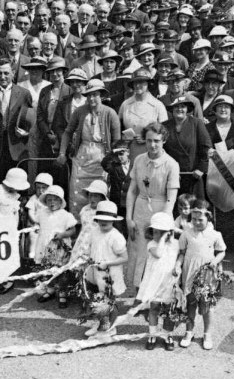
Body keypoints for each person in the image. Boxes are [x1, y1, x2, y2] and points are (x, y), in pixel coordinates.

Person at [126, 122, 180, 290]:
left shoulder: (171, 164)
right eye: (149, 140)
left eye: (157, 140)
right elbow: (132, 191)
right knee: (139, 250)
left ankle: (157, 295)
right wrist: (129, 218)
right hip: (140, 209)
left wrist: (161, 224)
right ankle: (138, 291)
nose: (152, 145)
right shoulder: (139, 160)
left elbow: (171, 197)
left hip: (161, 210)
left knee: (158, 251)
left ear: (163, 140)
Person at [56, 79, 121, 218]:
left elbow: (116, 141)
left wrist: (112, 160)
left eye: (95, 95)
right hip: (82, 155)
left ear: (101, 95)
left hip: (102, 157)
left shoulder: (110, 113)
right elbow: (67, 132)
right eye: (89, 95)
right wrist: (62, 153)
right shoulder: (80, 112)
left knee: (100, 190)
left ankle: (100, 222)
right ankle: (77, 224)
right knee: (77, 191)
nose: (92, 98)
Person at [174, 200, 226, 350]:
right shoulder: (186, 233)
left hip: (206, 275)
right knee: (190, 303)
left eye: (200, 219)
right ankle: (189, 332)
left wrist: (215, 261)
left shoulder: (215, 234)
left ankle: (207, 334)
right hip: (189, 273)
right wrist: (178, 265)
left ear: (208, 217)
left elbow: (222, 251)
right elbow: (182, 253)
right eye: (194, 219)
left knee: (206, 306)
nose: (196, 222)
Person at [85, 200, 128, 336]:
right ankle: (98, 323)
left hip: (109, 275)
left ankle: (110, 327)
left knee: (108, 302)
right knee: (96, 300)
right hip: (95, 273)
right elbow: (92, 248)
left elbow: (124, 258)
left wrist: (107, 263)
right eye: (100, 219)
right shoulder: (94, 231)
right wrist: (87, 258)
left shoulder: (116, 237)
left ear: (113, 220)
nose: (103, 222)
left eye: (107, 220)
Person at [138, 212, 181, 352]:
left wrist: (178, 265)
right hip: (155, 282)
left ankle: (167, 334)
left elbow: (181, 254)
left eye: (161, 232)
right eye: (155, 232)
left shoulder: (176, 244)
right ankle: (152, 334)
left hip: (169, 282)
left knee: (169, 310)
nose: (157, 235)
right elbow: (158, 254)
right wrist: (162, 239)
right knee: (154, 307)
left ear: (169, 232)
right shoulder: (152, 244)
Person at [32, 184, 77, 303]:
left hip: (59, 247)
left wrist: (62, 234)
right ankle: (50, 289)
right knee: (48, 269)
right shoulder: (42, 213)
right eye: (49, 199)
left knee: (61, 271)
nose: (52, 202)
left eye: (55, 199)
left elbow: (73, 230)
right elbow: (37, 223)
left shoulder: (65, 215)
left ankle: (62, 292)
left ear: (61, 201)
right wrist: (36, 227)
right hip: (45, 245)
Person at [163, 96, 211, 198]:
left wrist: (201, 168)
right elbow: (161, 149)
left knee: (194, 207)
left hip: (193, 175)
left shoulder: (197, 123)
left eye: (183, 106)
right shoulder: (165, 126)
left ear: (187, 109)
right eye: (176, 106)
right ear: (172, 109)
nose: (179, 109)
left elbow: (206, 148)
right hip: (172, 175)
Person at [118, 69, 168, 163]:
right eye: (135, 83)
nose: (137, 85)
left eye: (141, 82)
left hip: (151, 150)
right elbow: (118, 127)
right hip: (130, 151)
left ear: (148, 84)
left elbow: (164, 132)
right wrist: (123, 138)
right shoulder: (126, 104)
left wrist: (146, 138)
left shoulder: (157, 105)